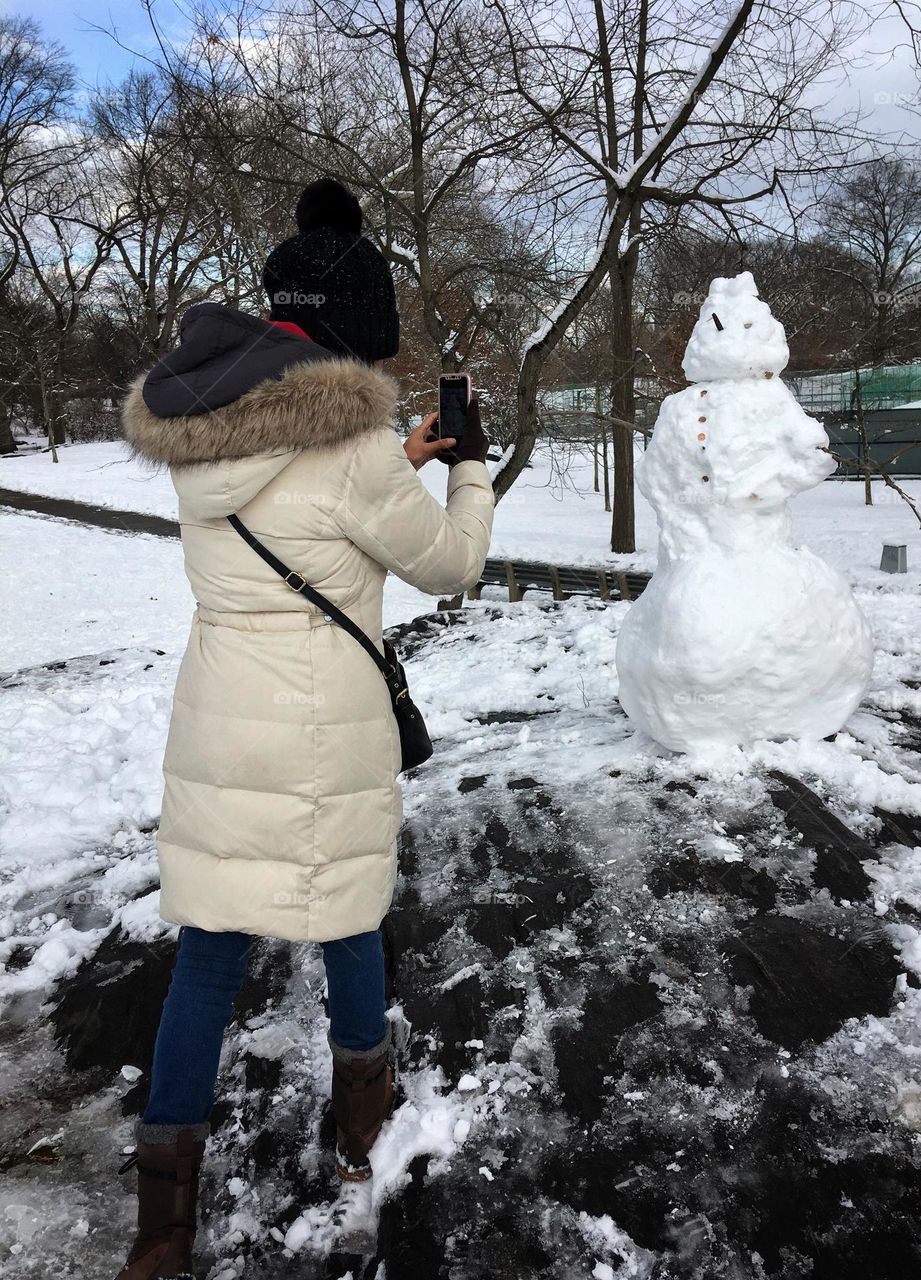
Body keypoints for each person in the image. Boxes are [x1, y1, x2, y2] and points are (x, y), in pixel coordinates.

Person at [114, 178, 494, 1279]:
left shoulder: (201, 423)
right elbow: (453, 565)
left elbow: (296, 506)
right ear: (355, 332)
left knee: (207, 957)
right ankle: (362, 1132)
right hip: (327, 727)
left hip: (222, 723)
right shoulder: (357, 446)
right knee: (349, 920)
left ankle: (160, 1227)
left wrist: (398, 462)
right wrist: (463, 464)